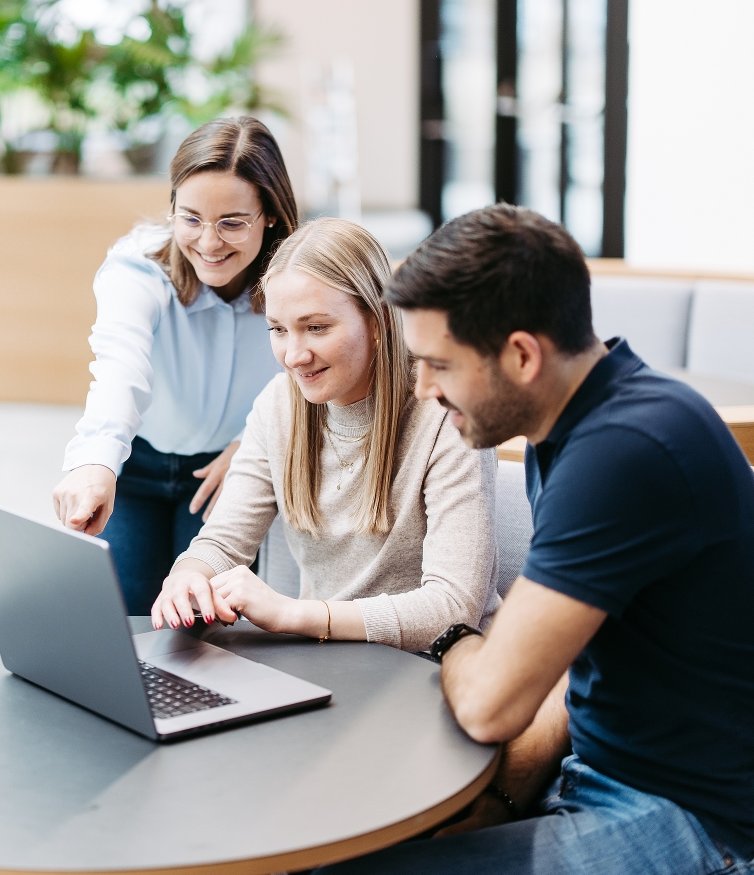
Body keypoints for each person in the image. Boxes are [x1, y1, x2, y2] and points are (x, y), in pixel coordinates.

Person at [318, 206, 754, 875]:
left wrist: (455, 639)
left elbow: (488, 704)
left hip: (718, 831)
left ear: (523, 355)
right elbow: (567, 666)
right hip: (607, 780)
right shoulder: (567, 429)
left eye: (438, 364)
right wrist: (505, 792)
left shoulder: (626, 450)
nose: (422, 389)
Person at [150, 218, 500, 652]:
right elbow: (222, 542)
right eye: (278, 329)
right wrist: (187, 576)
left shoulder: (446, 413)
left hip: (433, 668)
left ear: (376, 320)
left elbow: (452, 609)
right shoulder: (279, 405)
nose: (294, 356)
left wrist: (293, 614)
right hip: (329, 660)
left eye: (316, 327)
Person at [53, 117, 300, 616]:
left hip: (227, 472)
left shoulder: (299, 276)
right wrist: (95, 463)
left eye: (232, 222)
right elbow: (118, 367)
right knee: (127, 618)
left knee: (201, 624)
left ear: (270, 215)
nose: (209, 243)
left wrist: (255, 443)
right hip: (137, 465)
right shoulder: (138, 267)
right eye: (190, 218)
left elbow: (316, 376)